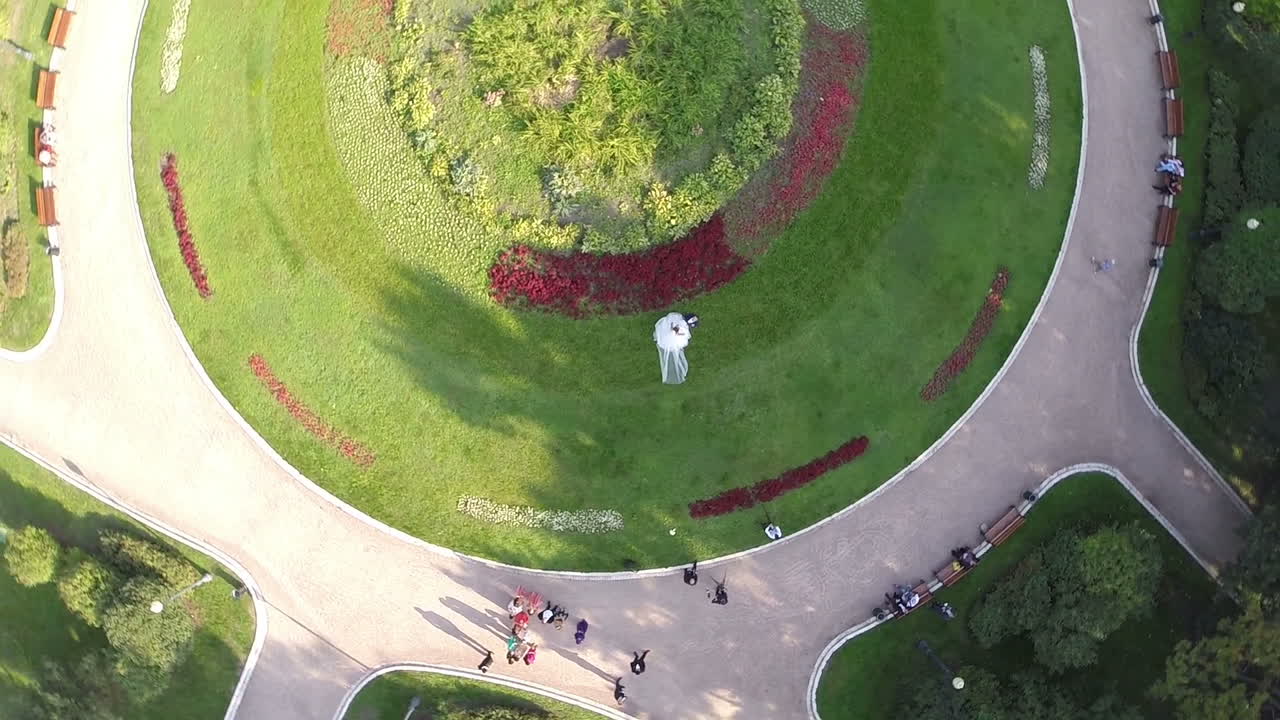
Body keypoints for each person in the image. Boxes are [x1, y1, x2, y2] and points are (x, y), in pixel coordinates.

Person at [654, 312, 692, 384]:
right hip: (667, 339)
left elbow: (674, 328)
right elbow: (676, 330)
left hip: (666, 337)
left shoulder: (675, 319)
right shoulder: (682, 329)